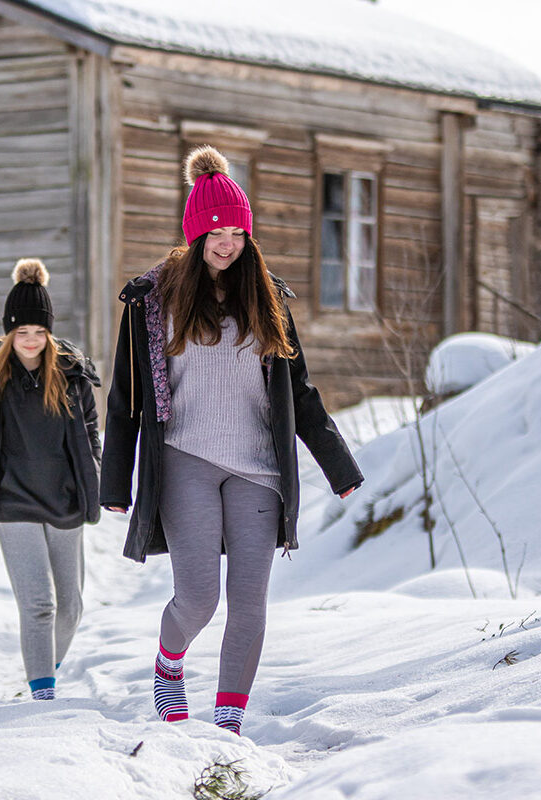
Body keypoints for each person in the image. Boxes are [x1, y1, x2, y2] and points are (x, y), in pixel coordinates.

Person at [99, 145, 363, 735]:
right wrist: (115, 482)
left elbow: (299, 389)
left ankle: (226, 729)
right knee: (198, 600)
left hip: (258, 469)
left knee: (249, 606)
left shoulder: (267, 299)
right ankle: (169, 664)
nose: (227, 242)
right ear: (195, 233)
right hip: (185, 460)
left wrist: (338, 467)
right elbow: (125, 401)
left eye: (238, 231)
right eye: (216, 231)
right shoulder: (152, 302)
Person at [0, 258, 102, 701]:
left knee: (71, 608)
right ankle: (43, 696)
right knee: (40, 606)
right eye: (23, 332)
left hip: (65, 501)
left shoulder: (72, 376)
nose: (32, 340)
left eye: (39, 332)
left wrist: (92, 472)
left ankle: (45, 669)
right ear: (9, 332)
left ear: (49, 332)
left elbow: (92, 432)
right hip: (12, 503)